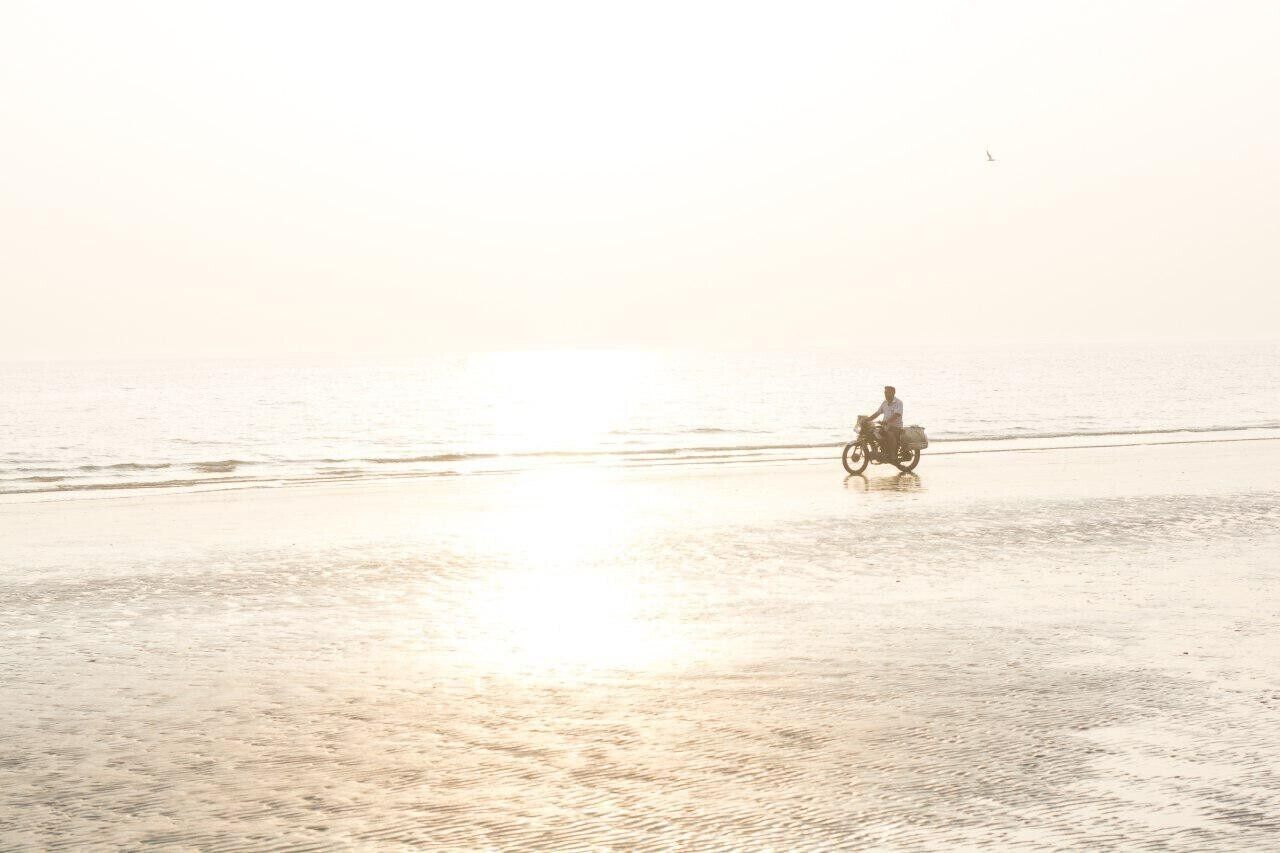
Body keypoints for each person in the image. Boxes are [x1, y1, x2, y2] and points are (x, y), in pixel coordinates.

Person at [865, 385, 904, 470]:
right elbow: (877, 413)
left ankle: (893, 456)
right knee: (873, 432)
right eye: (885, 392)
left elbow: (897, 415)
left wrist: (887, 421)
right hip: (886, 426)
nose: (885, 394)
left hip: (896, 427)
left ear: (893, 393)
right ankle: (877, 452)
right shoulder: (884, 403)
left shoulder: (898, 402)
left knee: (890, 434)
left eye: (887, 392)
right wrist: (867, 419)